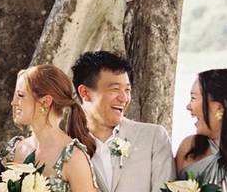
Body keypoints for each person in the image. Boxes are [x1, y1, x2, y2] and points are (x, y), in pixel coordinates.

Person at [71, 51, 173, 192]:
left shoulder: (153, 138)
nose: (124, 98)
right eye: (115, 89)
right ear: (85, 93)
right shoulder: (67, 145)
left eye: (127, 90)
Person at [6, 64, 97, 192]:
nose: (13, 102)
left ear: (45, 101)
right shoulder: (13, 149)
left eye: (20, 95)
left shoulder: (73, 158)